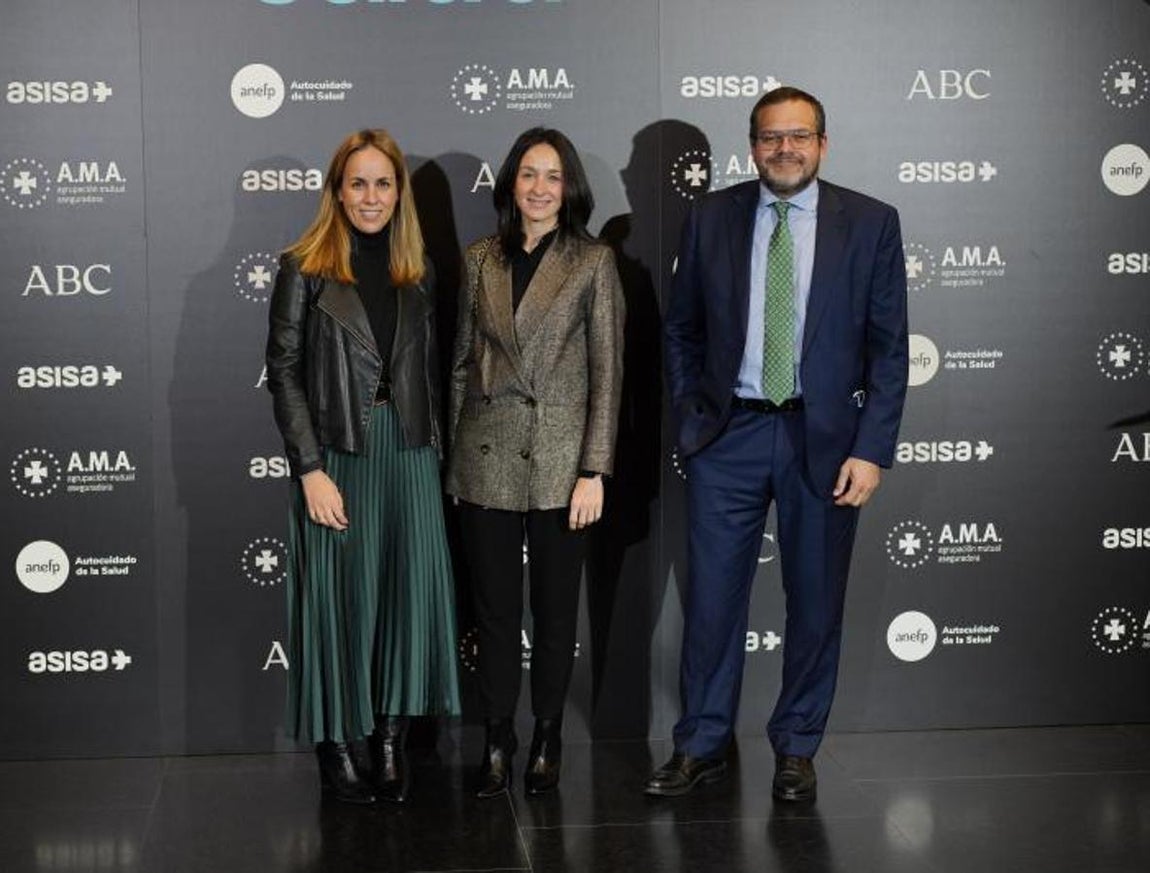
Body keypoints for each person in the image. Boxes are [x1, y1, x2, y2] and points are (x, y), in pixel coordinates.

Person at [647, 87, 908, 802]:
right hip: (728, 435)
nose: (784, 148)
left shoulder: (872, 223)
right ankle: (701, 741)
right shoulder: (710, 218)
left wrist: (871, 448)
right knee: (711, 604)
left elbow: (889, 351)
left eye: (799, 136)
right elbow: (683, 329)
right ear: (752, 144)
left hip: (824, 440)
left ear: (823, 144)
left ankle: (796, 747)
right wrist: (692, 415)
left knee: (816, 602)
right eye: (770, 137)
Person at [266, 129, 460, 805]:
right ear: (337, 190)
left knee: (405, 599)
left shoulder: (420, 270)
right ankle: (336, 742)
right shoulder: (304, 266)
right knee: (339, 604)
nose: (370, 197)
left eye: (383, 183)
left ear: (399, 192)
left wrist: (437, 454)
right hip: (339, 457)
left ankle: (387, 737)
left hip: (408, 454)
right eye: (358, 183)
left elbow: (433, 372)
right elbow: (284, 372)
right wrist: (309, 469)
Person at [447, 127, 624, 797]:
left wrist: (593, 469)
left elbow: (608, 373)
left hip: (559, 463)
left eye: (552, 175)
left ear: (569, 186)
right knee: (493, 612)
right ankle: (498, 734)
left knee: (554, 612)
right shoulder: (479, 258)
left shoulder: (592, 261)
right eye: (528, 173)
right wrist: (454, 461)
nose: (540, 187)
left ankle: (547, 733)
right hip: (486, 455)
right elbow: (461, 361)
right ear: (511, 183)